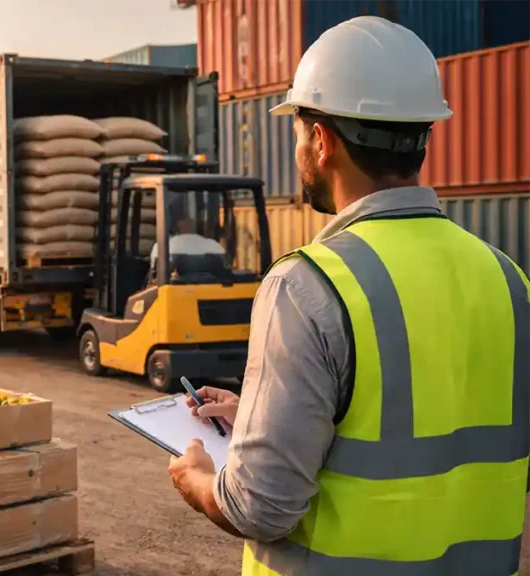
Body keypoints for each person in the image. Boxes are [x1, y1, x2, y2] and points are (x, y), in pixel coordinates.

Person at [166, 16, 530, 575]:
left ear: (320, 139)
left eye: (298, 131)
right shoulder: (507, 279)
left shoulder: (307, 286)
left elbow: (260, 509)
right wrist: (264, 421)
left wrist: (196, 477)